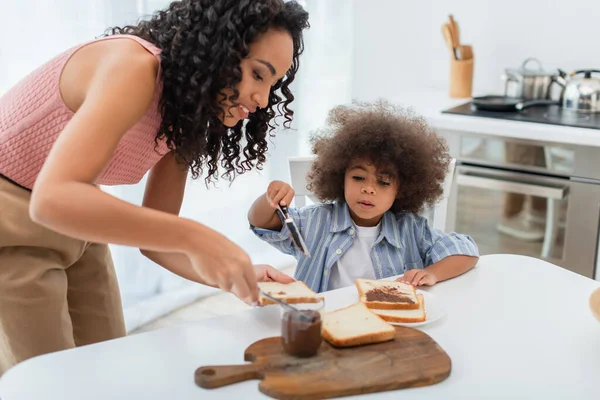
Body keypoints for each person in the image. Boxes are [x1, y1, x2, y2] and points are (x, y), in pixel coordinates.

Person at [0, 0, 309, 374]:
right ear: (218, 49)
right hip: (11, 220)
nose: (262, 101)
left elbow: (155, 238)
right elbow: (51, 198)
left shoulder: (185, 111)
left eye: (273, 85)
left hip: (78, 221)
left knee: (107, 367)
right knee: (48, 381)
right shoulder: (134, 67)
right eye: (258, 75)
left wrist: (236, 275)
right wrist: (200, 238)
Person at [248, 100, 479, 293]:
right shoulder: (316, 222)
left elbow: (466, 252)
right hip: (323, 320)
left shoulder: (411, 229)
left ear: (403, 189)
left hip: (388, 322)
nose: (369, 189)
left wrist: (432, 273)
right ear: (341, 177)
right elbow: (261, 223)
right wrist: (270, 198)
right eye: (359, 178)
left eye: (384, 182)